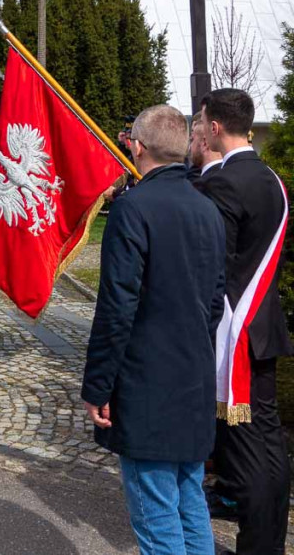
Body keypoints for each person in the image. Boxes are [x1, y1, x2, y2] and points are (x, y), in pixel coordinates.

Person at [81, 105, 225, 555]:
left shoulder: (133, 209)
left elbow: (117, 307)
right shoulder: (208, 210)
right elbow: (215, 302)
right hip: (195, 376)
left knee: (158, 516)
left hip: (149, 386)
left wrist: (98, 384)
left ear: (137, 147)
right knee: (189, 505)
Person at [198, 89, 292, 554]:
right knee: (270, 447)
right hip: (265, 327)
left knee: (250, 453)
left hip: (236, 334)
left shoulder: (223, 184)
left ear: (215, 127)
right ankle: (269, 540)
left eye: (201, 123)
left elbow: (214, 266)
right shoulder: (270, 178)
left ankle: (258, 546)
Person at [187, 111, 223, 188]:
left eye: (192, 140)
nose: (190, 147)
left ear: (205, 143)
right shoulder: (238, 176)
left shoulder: (200, 187)